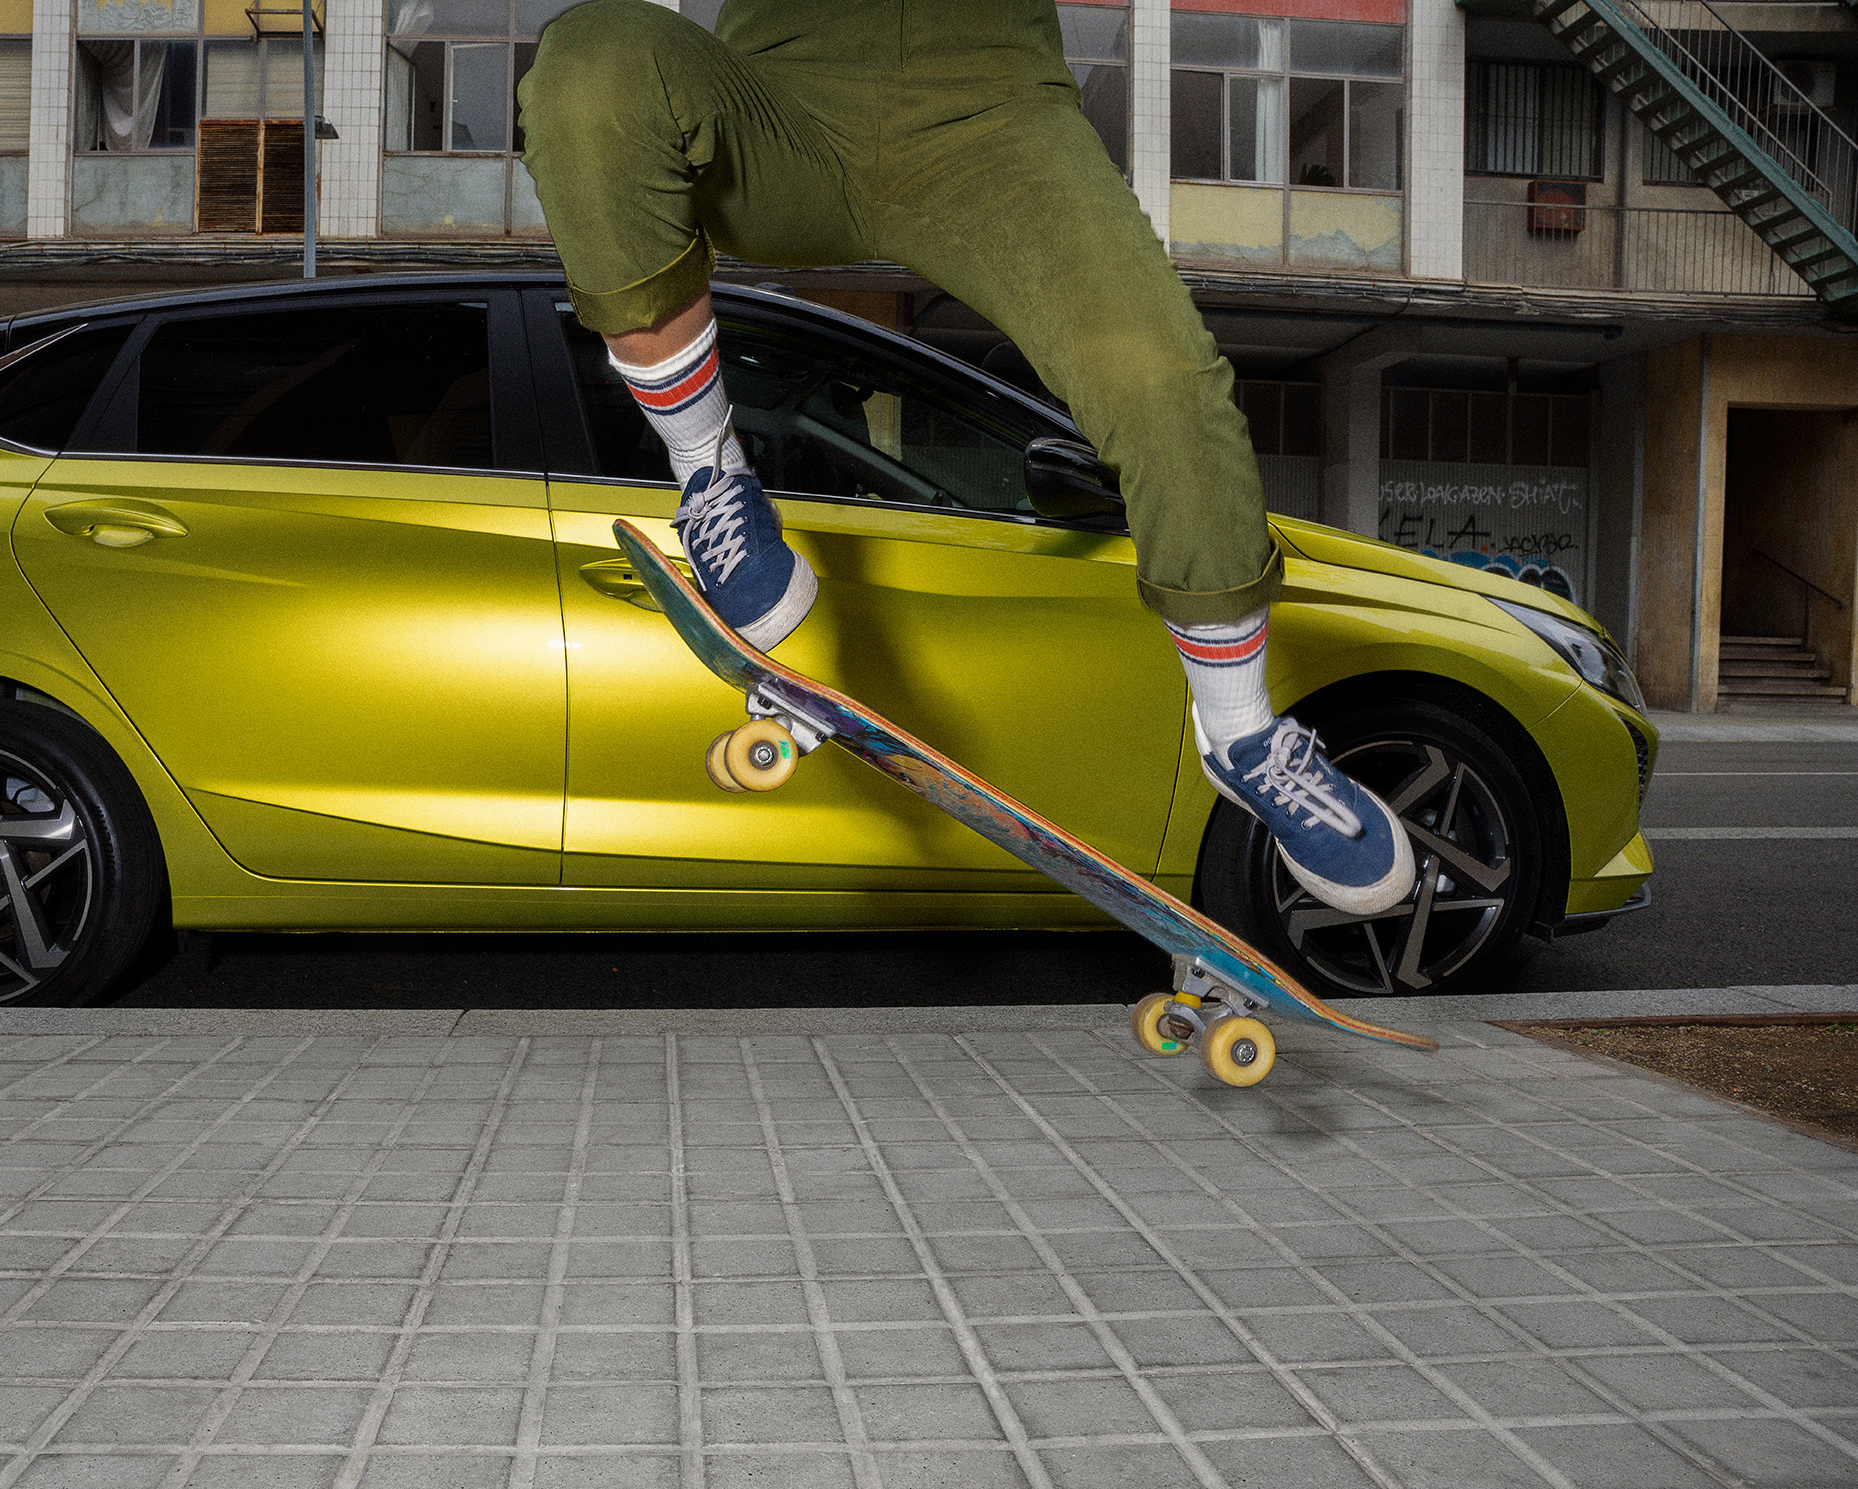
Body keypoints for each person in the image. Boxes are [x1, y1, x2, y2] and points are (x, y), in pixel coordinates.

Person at [517, 0, 1414, 916]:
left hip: (992, 125)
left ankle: (1241, 736)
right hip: (777, 115)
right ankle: (710, 472)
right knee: (590, 59)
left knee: (1162, 384)